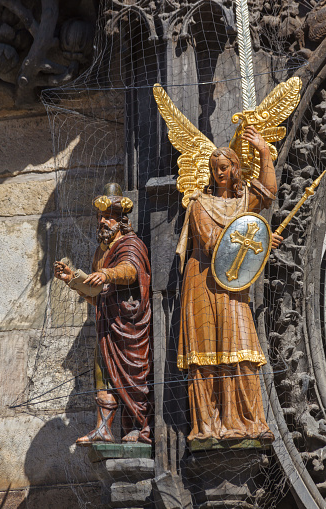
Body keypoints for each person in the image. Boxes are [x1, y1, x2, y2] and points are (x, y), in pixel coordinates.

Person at [176, 126, 283, 443]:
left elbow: (268, 192)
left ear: (235, 168)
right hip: (203, 283)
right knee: (207, 354)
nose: (218, 173)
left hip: (233, 287)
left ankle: (248, 421)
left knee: (241, 347)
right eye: (213, 168)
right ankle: (208, 426)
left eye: (224, 167)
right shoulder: (199, 204)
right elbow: (212, 245)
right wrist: (260, 240)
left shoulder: (243, 201)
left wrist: (264, 152)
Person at [54, 183, 152, 445]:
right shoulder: (101, 252)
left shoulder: (131, 244)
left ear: (121, 220)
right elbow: (96, 293)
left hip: (128, 325)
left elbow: (130, 270)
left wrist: (107, 274)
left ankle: (139, 427)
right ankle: (103, 429)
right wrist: (72, 279)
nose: (103, 221)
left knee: (133, 376)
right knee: (104, 377)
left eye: (108, 216)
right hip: (107, 323)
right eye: (100, 217)